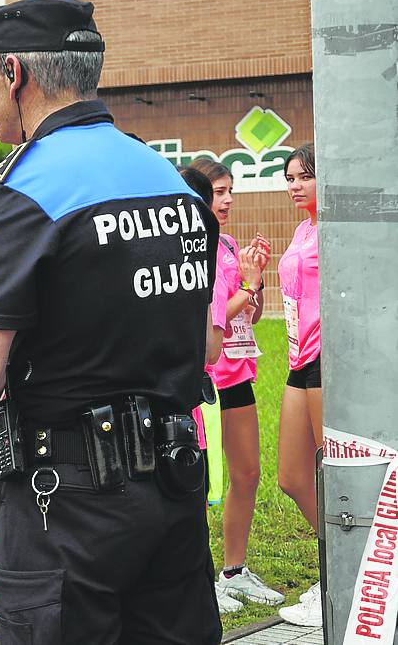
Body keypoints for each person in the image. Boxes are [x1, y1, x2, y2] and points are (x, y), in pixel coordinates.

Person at [0, 0, 222, 643]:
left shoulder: (20, 191)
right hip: (173, 486)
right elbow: (206, 342)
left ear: (13, 73)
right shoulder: (171, 182)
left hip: (66, 503)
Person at [188, 158, 284, 613]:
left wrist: (256, 283)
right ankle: (198, 579)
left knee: (247, 474)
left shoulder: (227, 244)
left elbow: (249, 315)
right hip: (204, 381)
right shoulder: (191, 245)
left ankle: (234, 572)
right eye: (217, 191)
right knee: (204, 485)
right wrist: (247, 287)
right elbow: (209, 318)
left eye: (230, 191)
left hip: (238, 375)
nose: (225, 201)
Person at [275, 143, 323, 628]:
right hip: (297, 359)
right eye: (290, 177)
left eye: (304, 176)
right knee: (292, 476)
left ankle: (343, 571)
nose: (294, 185)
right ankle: (338, 562)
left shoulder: (333, 229)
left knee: (336, 475)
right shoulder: (302, 228)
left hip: (328, 360)